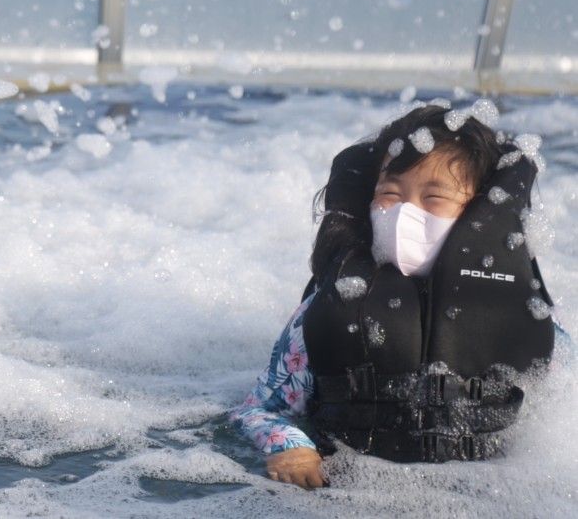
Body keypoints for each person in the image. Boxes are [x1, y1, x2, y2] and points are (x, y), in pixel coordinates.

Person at [230, 103, 571, 489]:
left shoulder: (524, 315)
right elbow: (260, 409)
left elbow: (565, 410)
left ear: (479, 213)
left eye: (433, 199)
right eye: (390, 194)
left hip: (484, 494)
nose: (404, 214)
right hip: (350, 492)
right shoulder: (330, 307)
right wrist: (291, 448)